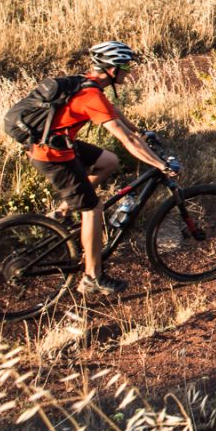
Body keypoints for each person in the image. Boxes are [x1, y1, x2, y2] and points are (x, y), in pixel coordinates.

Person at [28, 40, 178, 296]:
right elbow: (127, 140)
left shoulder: (87, 83)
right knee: (93, 208)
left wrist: (138, 129)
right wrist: (159, 164)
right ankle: (92, 277)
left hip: (57, 145)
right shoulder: (90, 95)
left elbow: (113, 112)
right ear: (111, 69)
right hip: (53, 155)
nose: (128, 71)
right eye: (125, 66)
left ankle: (62, 213)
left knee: (109, 161)